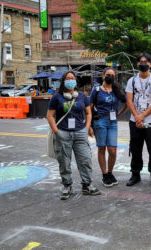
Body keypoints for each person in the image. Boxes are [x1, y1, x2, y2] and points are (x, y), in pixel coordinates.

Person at [47, 71, 100, 200]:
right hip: (63, 133)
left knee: (85, 159)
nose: (70, 80)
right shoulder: (56, 97)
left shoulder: (82, 96)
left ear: (76, 81)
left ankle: (87, 185)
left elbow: (88, 113)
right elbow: (50, 116)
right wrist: (56, 131)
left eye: (72, 78)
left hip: (80, 132)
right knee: (64, 161)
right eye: (68, 78)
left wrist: (87, 127)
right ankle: (67, 185)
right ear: (63, 81)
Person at [125, 53, 151, 187]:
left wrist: (142, 116)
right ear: (137, 64)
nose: (143, 64)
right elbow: (129, 100)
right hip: (134, 120)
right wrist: (136, 116)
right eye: (141, 61)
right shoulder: (132, 81)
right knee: (135, 148)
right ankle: (135, 174)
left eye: (146, 61)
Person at [89, 67, 127, 187]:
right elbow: (89, 108)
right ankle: (105, 174)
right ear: (103, 76)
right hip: (100, 121)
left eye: (112, 75)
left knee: (112, 150)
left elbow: (127, 103)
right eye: (108, 74)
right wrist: (89, 126)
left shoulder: (117, 90)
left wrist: (119, 114)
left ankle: (110, 172)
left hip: (113, 122)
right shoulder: (96, 90)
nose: (110, 76)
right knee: (101, 148)